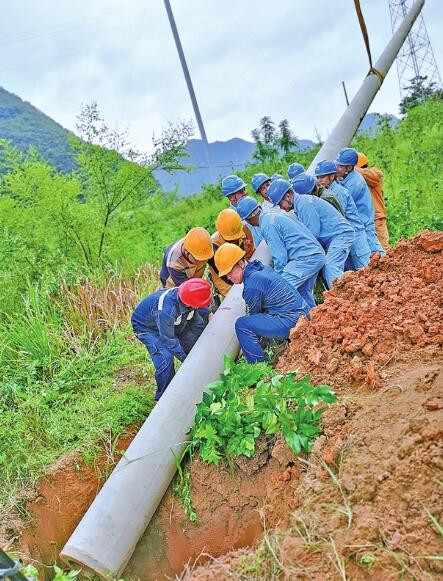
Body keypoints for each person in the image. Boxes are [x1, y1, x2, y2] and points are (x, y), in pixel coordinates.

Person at [214, 243, 308, 363]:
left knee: (242, 324)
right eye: (225, 274)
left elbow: (254, 317)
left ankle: (258, 366)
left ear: (241, 263)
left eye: (230, 272)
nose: (228, 277)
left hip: (293, 322)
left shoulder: (251, 285)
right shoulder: (260, 268)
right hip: (304, 314)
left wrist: (246, 345)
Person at [237, 196, 325, 310]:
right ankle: (314, 315)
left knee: (279, 291)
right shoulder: (272, 216)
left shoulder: (267, 225)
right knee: (302, 291)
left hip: (306, 258)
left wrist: (276, 278)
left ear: (249, 219)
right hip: (313, 255)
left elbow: (280, 257)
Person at [131, 279, 211, 400]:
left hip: (166, 323)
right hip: (147, 328)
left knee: (191, 340)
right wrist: (187, 361)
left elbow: (196, 324)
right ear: (192, 303)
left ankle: (192, 379)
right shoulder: (167, 309)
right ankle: (164, 398)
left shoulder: (187, 297)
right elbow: (169, 340)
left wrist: (205, 345)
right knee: (165, 356)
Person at [270, 177, 355, 289]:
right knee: (334, 268)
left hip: (341, 235)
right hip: (335, 237)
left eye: (280, 203)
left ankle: (343, 296)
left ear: (287, 196)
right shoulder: (301, 204)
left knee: (331, 267)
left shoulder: (304, 204)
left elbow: (312, 234)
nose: (281, 207)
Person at [315, 160, 371, 269]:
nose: (319, 181)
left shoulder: (337, 192)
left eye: (322, 177)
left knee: (366, 268)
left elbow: (339, 216)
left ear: (332, 177)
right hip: (347, 235)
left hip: (355, 235)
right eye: (317, 177)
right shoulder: (329, 191)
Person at [335, 147, 385, 255]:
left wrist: (354, 168)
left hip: (373, 219)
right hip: (366, 219)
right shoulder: (348, 179)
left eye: (340, 166)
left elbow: (344, 202)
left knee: (376, 249)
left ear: (350, 167)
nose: (337, 168)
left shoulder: (358, 180)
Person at [208, 208, 255, 297]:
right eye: (231, 240)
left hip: (242, 270)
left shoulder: (242, 229)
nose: (234, 240)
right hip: (227, 282)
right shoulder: (213, 247)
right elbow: (224, 277)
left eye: (236, 238)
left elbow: (251, 254)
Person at [356, 152, 390, 250]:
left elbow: (372, 175)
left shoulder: (372, 174)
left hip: (376, 218)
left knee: (383, 249)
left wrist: (351, 168)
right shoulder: (356, 179)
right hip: (366, 219)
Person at [221, 174, 263, 245]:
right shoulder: (230, 219)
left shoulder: (251, 203)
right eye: (241, 191)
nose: (245, 193)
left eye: (244, 189)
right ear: (231, 197)